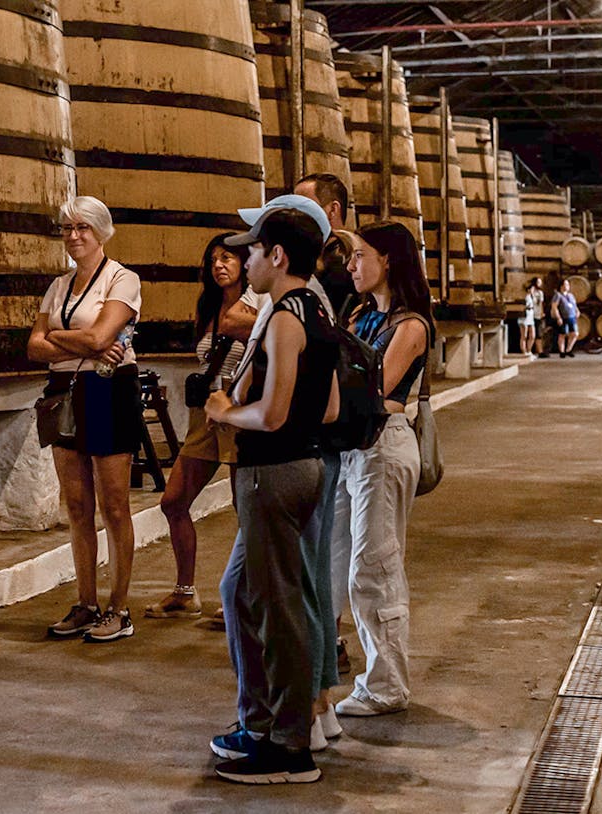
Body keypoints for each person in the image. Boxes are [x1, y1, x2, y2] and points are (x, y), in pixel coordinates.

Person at [204, 207, 339, 784]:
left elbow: (275, 412)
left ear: (278, 256)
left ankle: (288, 747)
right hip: (304, 465)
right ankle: (260, 724)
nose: (247, 261)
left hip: (273, 472)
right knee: (242, 589)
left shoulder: (286, 315)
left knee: (279, 606)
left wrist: (227, 410)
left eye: (254, 252)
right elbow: (329, 407)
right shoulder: (319, 311)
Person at [330, 220, 435, 718]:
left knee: (373, 567)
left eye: (360, 255)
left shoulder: (410, 326)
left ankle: (387, 686)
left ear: (388, 260)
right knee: (334, 563)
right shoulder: (357, 316)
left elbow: (374, 393)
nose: (351, 265)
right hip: (350, 448)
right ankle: (331, 669)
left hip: (383, 447)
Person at [29, 196, 143, 643]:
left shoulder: (122, 279)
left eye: (83, 228)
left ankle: (119, 608)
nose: (74, 236)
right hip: (64, 393)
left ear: (101, 231)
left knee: (114, 505)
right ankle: (85, 601)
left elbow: (100, 333)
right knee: (76, 506)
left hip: (109, 389)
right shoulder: (57, 287)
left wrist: (63, 336)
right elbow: (34, 347)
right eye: (67, 227)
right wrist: (86, 343)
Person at [145, 234, 257, 619]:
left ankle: (247, 597)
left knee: (249, 510)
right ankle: (185, 590)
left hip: (243, 412)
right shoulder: (209, 306)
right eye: (213, 260)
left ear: (245, 262)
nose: (219, 265)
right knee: (173, 500)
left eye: (228, 258)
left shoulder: (258, 303)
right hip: (206, 414)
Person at [297, 174, 359, 676]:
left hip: (324, 433)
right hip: (330, 430)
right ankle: (323, 661)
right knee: (325, 546)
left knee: (328, 547)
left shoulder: (336, 279)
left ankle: (322, 661)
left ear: (331, 212)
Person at [295, 173, 358, 321]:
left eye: (304, 207)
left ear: (332, 210)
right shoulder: (313, 254)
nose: (295, 214)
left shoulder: (343, 260)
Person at [551, 278, 579, 358]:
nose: (567, 286)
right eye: (566, 284)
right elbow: (554, 307)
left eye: (568, 284)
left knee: (575, 334)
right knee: (562, 334)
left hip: (572, 316)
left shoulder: (571, 295)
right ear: (561, 286)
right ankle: (562, 351)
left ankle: (568, 349)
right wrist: (558, 317)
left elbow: (574, 305)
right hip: (563, 317)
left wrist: (577, 311)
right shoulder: (558, 295)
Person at [524, 278, 546, 358]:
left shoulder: (540, 293)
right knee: (530, 334)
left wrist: (542, 312)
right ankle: (530, 350)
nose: (540, 284)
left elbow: (541, 304)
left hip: (537, 314)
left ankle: (539, 350)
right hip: (530, 314)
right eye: (538, 282)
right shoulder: (529, 293)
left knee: (538, 333)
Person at [520, 278, 540, 359]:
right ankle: (524, 352)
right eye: (532, 288)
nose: (533, 290)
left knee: (532, 335)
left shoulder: (532, 297)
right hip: (524, 316)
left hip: (531, 316)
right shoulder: (525, 297)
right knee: (524, 336)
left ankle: (529, 350)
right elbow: (523, 306)